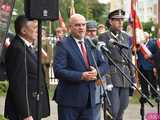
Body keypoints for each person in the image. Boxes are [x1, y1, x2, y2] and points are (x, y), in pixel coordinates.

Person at [53, 13, 108, 120]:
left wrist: (97, 72)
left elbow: (104, 65)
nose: (81, 27)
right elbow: (58, 71)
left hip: (90, 101)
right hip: (70, 101)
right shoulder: (63, 45)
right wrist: (81, 76)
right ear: (70, 28)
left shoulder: (90, 43)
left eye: (83, 24)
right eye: (77, 25)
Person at [4, 15, 50, 120]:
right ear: (24, 31)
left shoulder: (26, 46)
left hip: (33, 105)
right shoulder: (18, 49)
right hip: (25, 111)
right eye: (34, 28)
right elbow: (19, 83)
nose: (38, 30)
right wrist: (26, 113)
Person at [99, 9, 136, 120]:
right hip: (113, 76)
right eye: (117, 20)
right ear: (110, 21)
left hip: (125, 76)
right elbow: (103, 59)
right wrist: (108, 80)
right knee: (112, 110)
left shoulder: (126, 37)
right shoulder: (104, 36)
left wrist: (133, 77)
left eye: (122, 20)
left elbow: (129, 57)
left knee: (123, 106)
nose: (120, 22)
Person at [137, 32, 157, 98]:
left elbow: (156, 55)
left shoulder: (153, 44)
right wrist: (137, 49)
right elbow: (135, 52)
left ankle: (154, 94)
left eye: (143, 37)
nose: (142, 38)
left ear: (147, 37)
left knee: (152, 82)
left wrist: (150, 58)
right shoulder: (139, 45)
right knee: (143, 82)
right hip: (141, 66)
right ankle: (145, 95)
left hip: (150, 65)